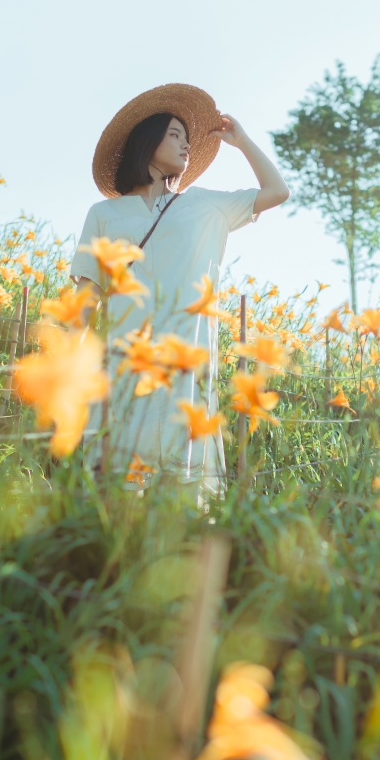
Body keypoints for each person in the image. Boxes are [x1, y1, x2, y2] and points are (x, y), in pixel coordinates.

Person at [71, 83, 289, 490]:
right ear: (146, 142)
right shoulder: (104, 214)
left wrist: (242, 142)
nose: (185, 145)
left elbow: (278, 191)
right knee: (117, 502)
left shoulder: (205, 205)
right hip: (123, 375)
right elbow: (85, 301)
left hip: (186, 380)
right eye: (174, 135)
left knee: (184, 505)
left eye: (188, 139)